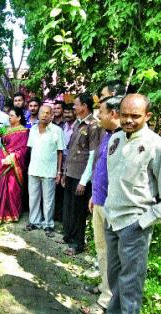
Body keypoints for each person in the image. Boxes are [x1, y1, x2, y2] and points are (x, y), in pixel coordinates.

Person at [104, 94, 161, 314]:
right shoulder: (116, 139)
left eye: (135, 116)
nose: (128, 120)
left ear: (147, 116)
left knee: (130, 287)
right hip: (111, 221)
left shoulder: (159, 147)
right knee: (115, 281)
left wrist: (143, 222)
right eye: (124, 114)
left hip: (134, 226)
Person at [80, 96, 123, 314]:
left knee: (111, 253)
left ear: (113, 113)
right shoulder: (107, 135)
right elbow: (100, 166)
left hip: (113, 206)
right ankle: (105, 288)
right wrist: (94, 195)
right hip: (99, 200)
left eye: (102, 111)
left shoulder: (124, 138)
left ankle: (106, 300)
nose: (98, 115)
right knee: (101, 249)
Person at [62, 92, 101, 255]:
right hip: (71, 172)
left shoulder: (94, 125)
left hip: (81, 176)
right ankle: (68, 237)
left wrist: (84, 181)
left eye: (76, 104)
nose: (74, 107)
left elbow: (93, 155)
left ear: (84, 107)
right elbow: (71, 150)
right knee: (69, 207)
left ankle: (78, 244)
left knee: (78, 211)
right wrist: (64, 172)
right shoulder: (78, 123)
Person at [25, 105, 64, 236]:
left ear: (52, 115)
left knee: (48, 199)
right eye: (42, 113)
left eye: (47, 113)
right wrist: (30, 167)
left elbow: (60, 152)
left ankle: (48, 224)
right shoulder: (33, 130)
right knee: (33, 197)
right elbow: (31, 150)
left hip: (49, 171)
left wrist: (59, 172)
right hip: (34, 169)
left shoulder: (57, 131)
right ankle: (34, 221)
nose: (44, 115)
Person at [56, 102, 77, 221]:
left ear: (75, 112)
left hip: (73, 164)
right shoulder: (63, 127)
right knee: (60, 191)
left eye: (70, 112)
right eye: (65, 112)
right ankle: (60, 217)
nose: (67, 115)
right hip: (61, 163)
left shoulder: (78, 128)